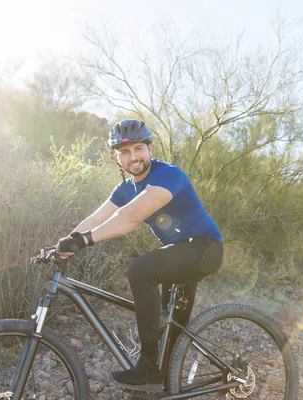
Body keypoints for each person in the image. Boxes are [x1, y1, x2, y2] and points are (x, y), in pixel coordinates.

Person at [55, 119, 223, 392]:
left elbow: (130, 217)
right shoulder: (125, 189)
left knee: (140, 270)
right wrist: (61, 247)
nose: (132, 157)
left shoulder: (168, 175)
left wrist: (85, 240)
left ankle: (146, 368)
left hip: (204, 248)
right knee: (172, 336)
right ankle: (158, 386)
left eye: (137, 149)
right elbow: (96, 217)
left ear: (149, 149)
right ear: (117, 158)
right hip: (179, 252)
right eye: (124, 152)